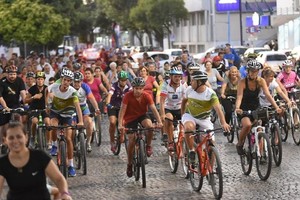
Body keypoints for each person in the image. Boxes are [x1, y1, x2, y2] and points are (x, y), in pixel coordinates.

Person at [0, 122, 72, 200]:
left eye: (19, 136)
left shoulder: (40, 156)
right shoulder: (3, 163)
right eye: (11, 138)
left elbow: (59, 179)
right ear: (5, 140)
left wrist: (65, 193)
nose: (15, 141)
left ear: (26, 137)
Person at [181, 71, 230, 163]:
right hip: (190, 116)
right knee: (189, 127)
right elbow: (184, 101)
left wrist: (223, 123)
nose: (190, 82)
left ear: (199, 82)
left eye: (193, 80)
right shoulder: (189, 89)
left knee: (211, 144)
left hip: (205, 119)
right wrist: (182, 114)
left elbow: (218, 109)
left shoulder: (210, 94)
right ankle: (191, 150)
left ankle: (210, 171)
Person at [118, 77, 163, 177]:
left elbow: (153, 109)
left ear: (143, 88)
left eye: (140, 88)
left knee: (150, 126)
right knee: (131, 140)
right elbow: (122, 111)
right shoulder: (127, 96)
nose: (138, 90)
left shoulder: (147, 96)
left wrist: (159, 121)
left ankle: (148, 145)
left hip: (142, 115)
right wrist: (120, 124)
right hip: (130, 118)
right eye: (136, 88)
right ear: (133, 88)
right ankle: (129, 164)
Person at [235, 60, 281, 155]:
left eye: (256, 71)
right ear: (248, 71)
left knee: (260, 128)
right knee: (247, 125)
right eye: (252, 71)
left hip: (256, 107)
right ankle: (239, 144)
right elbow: (239, 96)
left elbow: (268, 95)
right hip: (244, 108)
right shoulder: (242, 82)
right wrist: (237, 108)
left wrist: (276, 107)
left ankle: (260, 151)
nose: (254, 73)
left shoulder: (261, 81)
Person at [46, 68, 84, 177]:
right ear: (61, 79)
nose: (66, 82)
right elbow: (47, 92)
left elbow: (77, 107)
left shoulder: (73, 92)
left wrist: (80, 121)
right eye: (65, 80)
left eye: (69, 81)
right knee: (53, 126)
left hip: (68, 115)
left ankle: (71, 165)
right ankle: (54, 145)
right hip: (56, 113)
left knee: (68, 138)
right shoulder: (53, 87)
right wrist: (48, 105)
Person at [72, 72, 101, 152]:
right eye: (75, 82)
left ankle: (88, 142)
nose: (77, 84)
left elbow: (91, 98)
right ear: (72, 81)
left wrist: (96, 108)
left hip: (83, 107)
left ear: (81, 81)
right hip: (72, 108)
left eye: (78, 82)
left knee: (89, 122)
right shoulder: (70, 87)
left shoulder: (85, 86)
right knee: (72, 126)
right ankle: (73, 142)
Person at [160, 66, 187, 150]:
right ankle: (171, 142)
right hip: (168, 108)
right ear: (171, 76)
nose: (177, 78)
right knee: (169, 119)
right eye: (175, 76)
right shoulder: (165, 84)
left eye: (179, 76)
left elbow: (187, 100)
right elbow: (162, 101)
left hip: (179, 107)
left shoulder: (183, 84)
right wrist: (162, 114)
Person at [0, 65, 26, 151]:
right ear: (7, 74)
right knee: (3, 125)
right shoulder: (2, 82)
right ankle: (2, 143)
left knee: (19, 119)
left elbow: (23, 93)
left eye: (14, 74)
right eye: (10, 74)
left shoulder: (20, 80)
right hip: (4, 104)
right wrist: (5, 107)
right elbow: (0, 97)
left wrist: (25, 102)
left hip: (15, 104)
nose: (12, 76)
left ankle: (21, 139)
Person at [106, 71, 132, 153]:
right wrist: (108, 103)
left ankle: (123, 135)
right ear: (119, 80)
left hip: (123, 107)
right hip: (113, 106)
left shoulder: (129, 86)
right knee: (113, 122)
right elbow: (109, 95)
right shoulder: (114, 86)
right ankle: (112, 142)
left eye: (125, 80)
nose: (123, 82)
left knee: (125, 122)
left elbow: (133, 95)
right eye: (122, 80)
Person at [24, 71, 51, 149]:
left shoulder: (47, 88)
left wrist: (48, 106)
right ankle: (32, 137)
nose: (40, 81)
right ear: (36, 80)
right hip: (34, 109)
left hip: (43, 109)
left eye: (41, 79)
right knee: (35, 121)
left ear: (44, 80)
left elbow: (48, 99)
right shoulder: (32, 89)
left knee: (47, 122)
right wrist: (33, 97)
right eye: (38, 79)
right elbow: (25, 100)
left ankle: (49, 142)